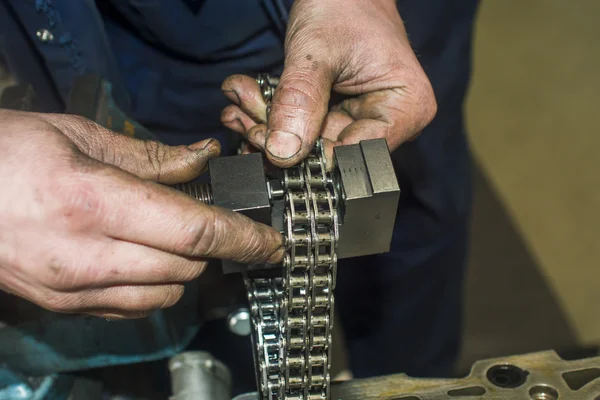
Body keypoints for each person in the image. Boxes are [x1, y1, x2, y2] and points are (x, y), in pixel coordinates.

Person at [0, 0, 479, 395]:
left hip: (361, 22)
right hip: (112, 28)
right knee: (162, 234)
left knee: (399, 194)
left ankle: (416, 376)